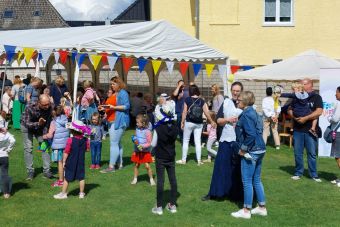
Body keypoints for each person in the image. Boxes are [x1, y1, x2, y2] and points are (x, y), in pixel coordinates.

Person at [201, 82, 243, 202]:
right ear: (231, 90)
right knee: (220, 166)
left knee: (236, 168)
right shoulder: (226, 102)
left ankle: (235, 194)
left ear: (241, 91)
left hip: (238, 140)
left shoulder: (243, 104)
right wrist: (228, 119)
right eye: (234, 90)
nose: (235, 92)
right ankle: (215, 192)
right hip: (226, 139)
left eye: (238, 91)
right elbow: (218, 120)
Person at [231, 91, 267, 219]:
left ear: (245, 101)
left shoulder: (246, 115)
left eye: (239, 99)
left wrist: (243, 149)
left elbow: (251, 134)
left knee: (247, 181)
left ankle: (246, 210)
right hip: (261, 148)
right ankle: (262, 207)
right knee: (256, 179)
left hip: (252, 150)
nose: (237, 101)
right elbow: (259, 130)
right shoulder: (255, 113)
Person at [288, 78, 323, 182]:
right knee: (297, 153)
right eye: (300, 84)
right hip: (298, 129)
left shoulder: (316, 97)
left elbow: (319, 112)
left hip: (310, 130)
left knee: (311, 153)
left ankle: (314, 174)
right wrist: (295, 118)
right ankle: (298, 172)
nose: (301, 86)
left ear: (310, 85)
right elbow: (289, 109)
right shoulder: (297, 96)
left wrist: (305, 118)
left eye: (304, 84)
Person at [176, 84, 216, 165]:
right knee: (198, 142)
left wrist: (182, 122)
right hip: (199, 123)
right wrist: (211, 121)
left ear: (190, 92)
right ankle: (199, 160)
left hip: (189, 122)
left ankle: (183, 160)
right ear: (197, 91)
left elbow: (184, 112)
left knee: (186, 140)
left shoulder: (187, 99)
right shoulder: (202, 101)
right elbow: (207, 113)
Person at [151, 102, 178, 215]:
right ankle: (172, 205)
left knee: (161, 181)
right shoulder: (175, 127)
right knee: (173, 180)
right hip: (171, 156)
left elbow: (153, 144)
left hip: (161, 156)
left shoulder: (158, 128)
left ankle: (159, 207)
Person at [99, 76, 130, 173]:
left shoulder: (123, 93)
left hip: (119, 121)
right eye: (111, 84)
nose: (111, 86)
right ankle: (119, 163)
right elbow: (112, 106)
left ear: (118, 84)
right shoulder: (117, 93)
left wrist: (113, 107)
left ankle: (111, 167)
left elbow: (127, 106)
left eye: (113, 84)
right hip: (113, 120)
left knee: (114, 143)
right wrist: (106, 108)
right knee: (117, 143)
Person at [53, 120, 90, 199]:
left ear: (72, 131)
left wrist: (63, 161)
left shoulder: (70, 140)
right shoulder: (85, 140)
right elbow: (87, 149)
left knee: (67, 178)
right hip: (81, 162)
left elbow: (66, 152)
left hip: (71, 162)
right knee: (81, 178)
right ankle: (81, 193)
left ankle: (63, 193)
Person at [21, 94, 53, 180]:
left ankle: (47, 171)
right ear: (39, 102)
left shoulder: (50, 107)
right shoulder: (30, 106)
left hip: (41, 128)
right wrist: (38, 123)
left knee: (44, 147)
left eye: (48, 104)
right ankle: (30, 171)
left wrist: (46, 134)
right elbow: (27, 123)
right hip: (27, 127)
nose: (47, 106)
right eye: (44, 105)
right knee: (28, 148)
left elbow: (49, 121)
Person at [43, 106, 69, 187]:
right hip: (66, 145)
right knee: (65, 162)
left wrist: (44, 136)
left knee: (60, 163)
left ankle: (61, 180)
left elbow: (50, 135)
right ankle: (66, 178)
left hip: (57, 146)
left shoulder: (54, 122)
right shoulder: (66, 120)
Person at [130, 114, 155, 185]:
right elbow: (135, 137)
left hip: (145, 152)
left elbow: (149, 143)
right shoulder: (137, 129)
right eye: (136, 122)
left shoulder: (148, 132)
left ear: (143, 123)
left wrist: (142, 146)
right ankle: (135, 179)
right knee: (136, 165)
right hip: (137, 151)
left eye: (138, 122)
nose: (136, 124)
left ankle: (151, 179)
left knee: (147, 166)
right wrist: (134, 139)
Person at [0, 115, 15, 199]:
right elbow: (13, 140)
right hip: (4, 156)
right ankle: (6, 193)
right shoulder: (6, 134)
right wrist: (8, 150)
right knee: (4, 174)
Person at [328, 86, 340, 187]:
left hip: (339, 133)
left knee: (338, 156)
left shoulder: (339, 104)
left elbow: (335, 119)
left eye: (337, 92)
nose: (335, 94)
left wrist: (329, 118)